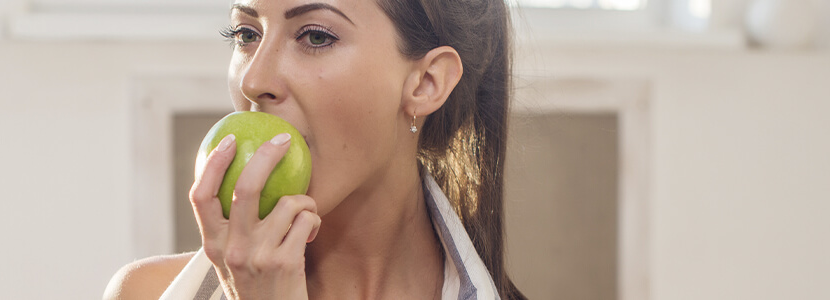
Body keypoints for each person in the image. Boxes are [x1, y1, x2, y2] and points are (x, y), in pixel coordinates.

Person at [105, 0, 524, 298]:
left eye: (316, 36)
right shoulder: (143, 293)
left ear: (427, 82)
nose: (254, 80)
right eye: (246, 34)